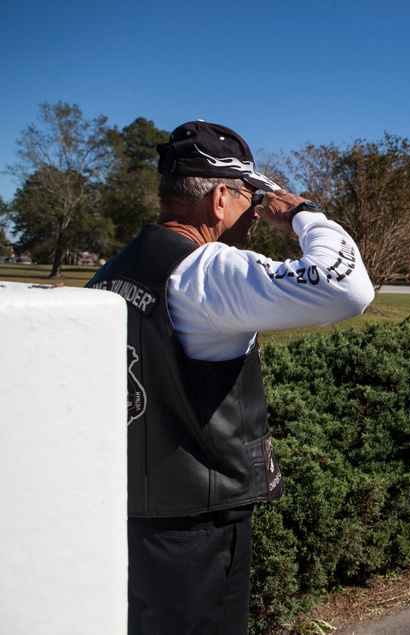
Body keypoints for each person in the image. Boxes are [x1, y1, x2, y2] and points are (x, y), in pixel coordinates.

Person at [87, 121, 375, 634]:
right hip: (198, 527)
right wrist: (306, 214)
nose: (257, 218)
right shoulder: (205, 271)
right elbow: (346, 287)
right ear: (219, 198)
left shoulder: (110, 272)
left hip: (124, 513)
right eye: (251, 198)